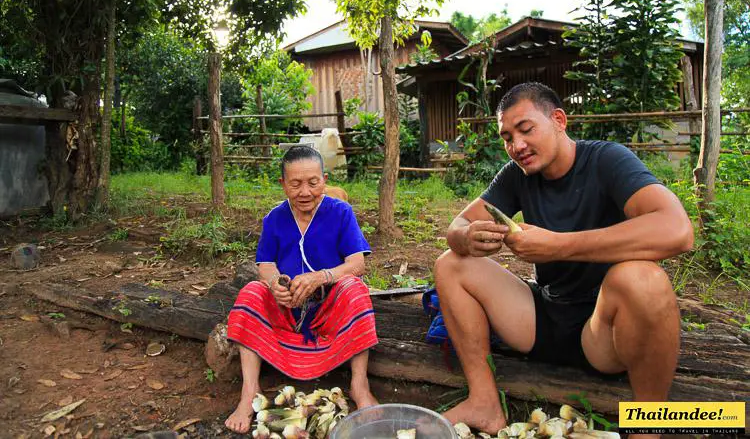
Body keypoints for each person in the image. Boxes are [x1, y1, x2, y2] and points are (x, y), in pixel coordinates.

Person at [435, 82, 694, 436]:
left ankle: (649, 426)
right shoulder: (517, 175)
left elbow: (677, 230)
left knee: (643, 279)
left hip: (604, 331)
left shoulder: (607, 160)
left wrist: (559, 246)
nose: (517, 146)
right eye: (507, 137)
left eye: (526, 130)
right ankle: (484, 402)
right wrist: (465, 236)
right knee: (451, 262)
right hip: (543, 318)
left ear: (559, 120)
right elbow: (457, 224)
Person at [225, 145, 379, 434]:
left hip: (328, 311)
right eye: (295, 184)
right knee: (251, 292)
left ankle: (359, 385)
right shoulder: (274, 218)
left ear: (325, 179)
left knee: (354, 287)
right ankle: (249, 392)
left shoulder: (341, 212)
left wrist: (322, 277)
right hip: (288, 312)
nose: (305, 192)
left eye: (313, 182)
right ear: (283, 184)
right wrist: (274, 285)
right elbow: (266, 264)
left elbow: (357, 264)